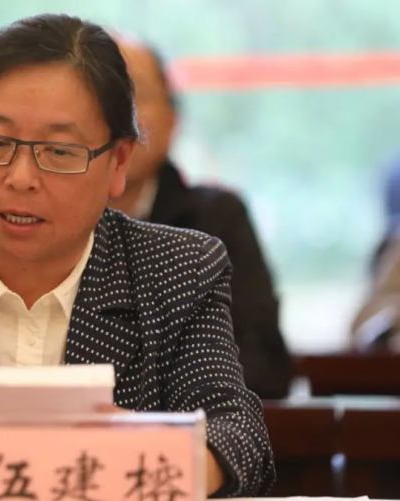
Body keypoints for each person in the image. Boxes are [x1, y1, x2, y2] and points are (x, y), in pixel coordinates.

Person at [0, 13, 275, 496]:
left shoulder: (176, 270)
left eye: (58, 152)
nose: (20, 178)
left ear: (118, 163)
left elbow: (238, 435)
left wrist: (145, 453)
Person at [108, 37, 292, 399]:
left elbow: (263, 365)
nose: (118, 116)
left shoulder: (217, 220)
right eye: (102, 97)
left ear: (172, 120)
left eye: (134, 94)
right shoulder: (38, 221)